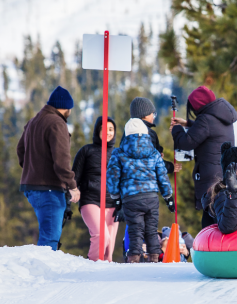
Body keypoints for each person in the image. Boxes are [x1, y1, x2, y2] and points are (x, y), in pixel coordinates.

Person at [17, 86, 80, 251]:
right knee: (50, 238)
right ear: (66, 107)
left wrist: (32, 169)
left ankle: (44, 273)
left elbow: (20, 150)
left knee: (47, 234)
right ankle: (44, 276)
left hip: (31, 187)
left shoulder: (34, 121)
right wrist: (72, 186)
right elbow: (62, 160)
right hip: (49, 189)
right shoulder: (57, 123)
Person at [170, 86, 237, 228]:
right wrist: (188, 124)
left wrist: (176, 129)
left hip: (211, 180)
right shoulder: (222, 115)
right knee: (218, 217)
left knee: (210, 222)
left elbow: (186, 142)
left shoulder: (205, 120)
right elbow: (210, 130)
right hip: (223, 174)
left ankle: (210, 250)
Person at [107, 118, 174, 263]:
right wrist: (168, 197)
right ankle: (154, 259)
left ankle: (134, 261)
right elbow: (162, 176)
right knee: (151, 230)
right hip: (151, 198)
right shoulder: (154, 153)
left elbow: (112, 177)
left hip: (131, 199)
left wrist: (116, 197)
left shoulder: (119, 153)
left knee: (135, 231)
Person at [72, 116, 121, 262]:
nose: (108, 132)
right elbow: (74, 177)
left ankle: (103, 281)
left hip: (113, 205)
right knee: (101, 236)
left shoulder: (119, 154)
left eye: (111, 129)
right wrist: (73, 191)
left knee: (108, 251)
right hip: (91, 200)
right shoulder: (86, 151)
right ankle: (92, 265)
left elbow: (126, 180)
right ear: (97, 131)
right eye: (104, 129)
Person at [121, 97, 181, 174]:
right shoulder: (149, 134)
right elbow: (153, 161)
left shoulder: (126, 132)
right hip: (147, 179)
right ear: (145, 115)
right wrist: (170, 167)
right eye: (153, 114)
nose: (154, 117)